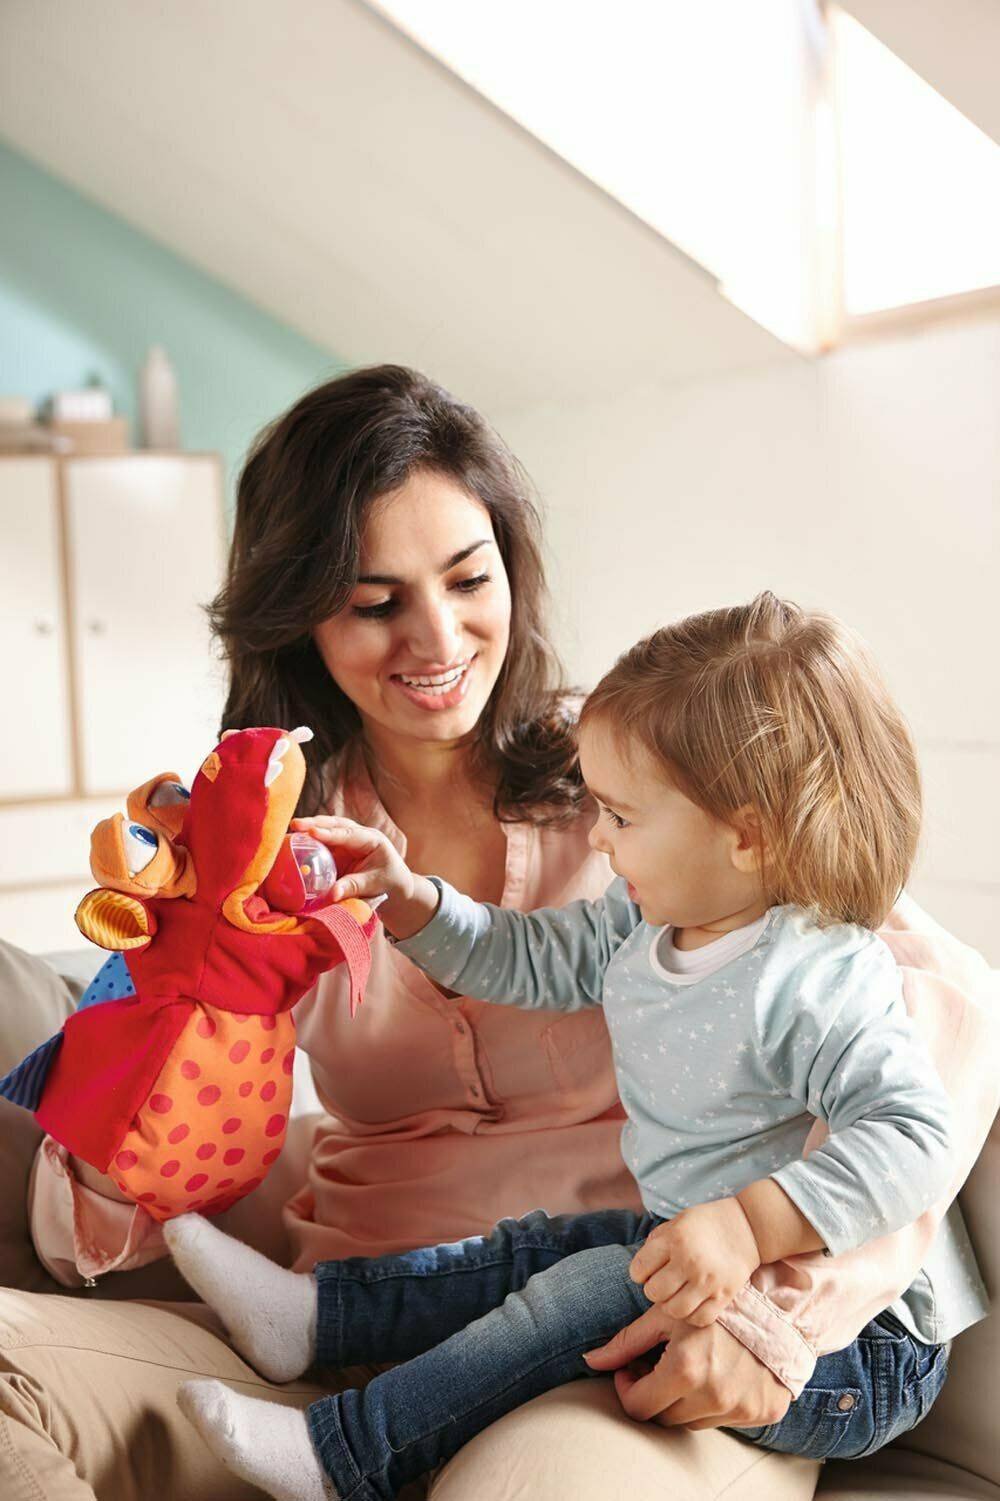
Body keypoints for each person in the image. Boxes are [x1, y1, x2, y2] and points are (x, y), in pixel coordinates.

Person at [5, 369, 990, 1501]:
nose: (436, 637)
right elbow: (78, 1233)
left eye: (469, 579)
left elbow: (947, 1025)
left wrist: (776, 1312)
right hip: (352, 1329)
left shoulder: (657, 784)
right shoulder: (256, 839)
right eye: (374, 602)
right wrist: (181, 997)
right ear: (299, 615)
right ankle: (325, 1355)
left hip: (638, 1346)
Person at [167, 594, 970, 1501]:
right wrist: (411, 899)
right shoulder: (649, 921)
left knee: (591, 1286)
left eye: (622, 817)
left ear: (745, 834)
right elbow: (527, 957)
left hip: (860, 1352)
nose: (596, 837)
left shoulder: (817, 974)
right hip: (699, 1256)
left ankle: (344, 1453)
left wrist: (750, 1223)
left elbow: (913, 1137)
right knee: (531, 1252)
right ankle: (318, 1317)